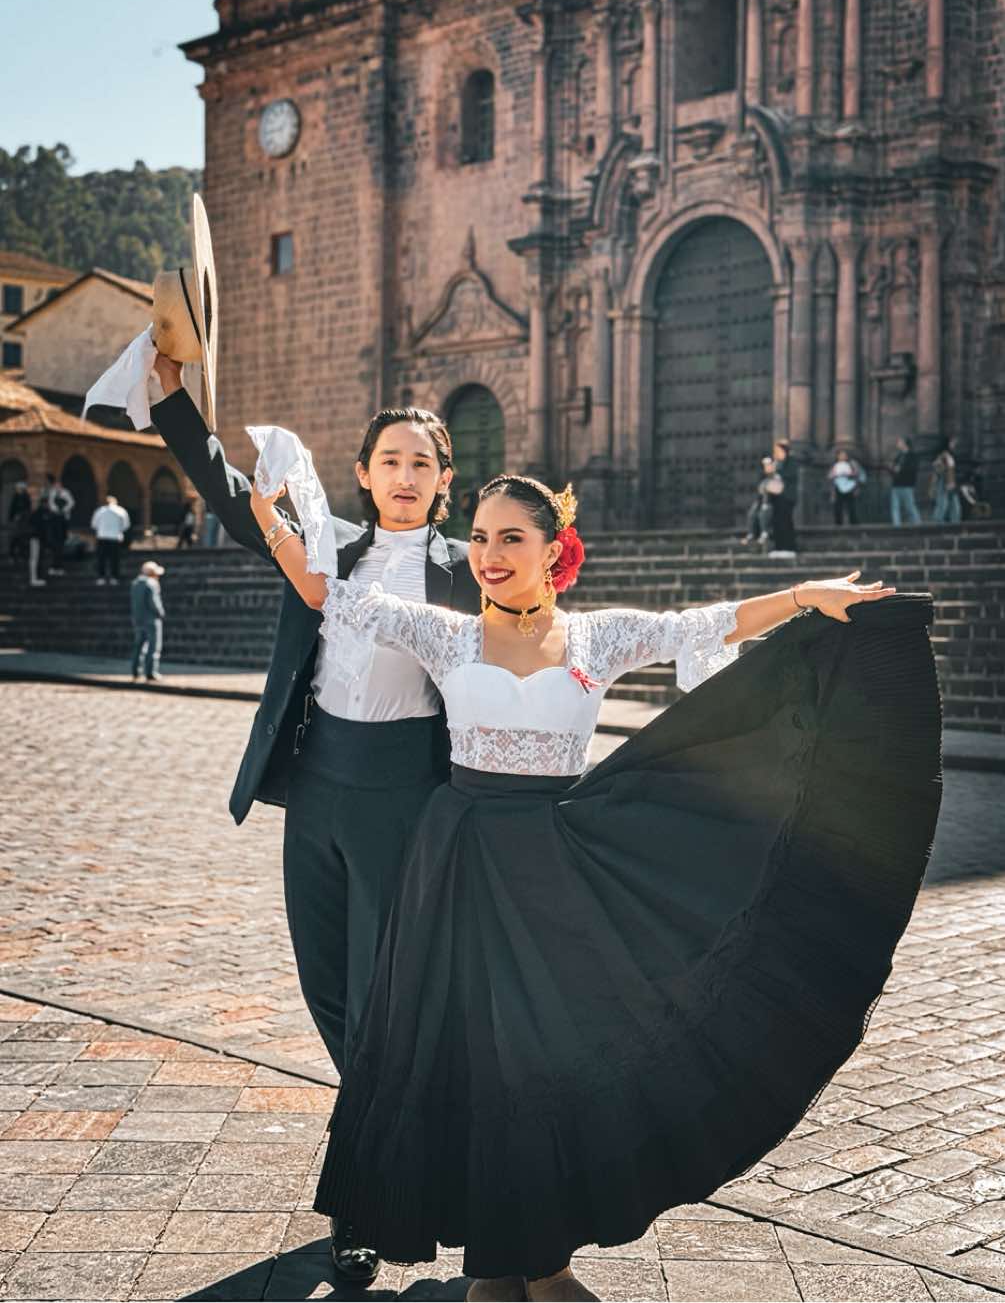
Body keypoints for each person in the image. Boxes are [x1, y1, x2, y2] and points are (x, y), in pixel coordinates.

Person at [248, 430, 941, 1302]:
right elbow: (324, 590)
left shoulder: (595, 637)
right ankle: (494, 1265)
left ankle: (544, 1259)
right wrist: (267, 512)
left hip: (552, 867)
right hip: (455, 867)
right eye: (481, 537)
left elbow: (704, 624)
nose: (490, 554)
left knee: (547, 1055)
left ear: (552, 550)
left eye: (511, 538)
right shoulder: (443, 633)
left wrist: (805, 595)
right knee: (470, 1056)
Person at [149, 351, 481, 1288]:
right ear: (363, 472)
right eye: (391, 461)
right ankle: (400, 1123)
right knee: (328, 989)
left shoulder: (466, 570)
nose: (405, 476)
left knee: (377, 1004)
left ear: (445, 480)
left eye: (422, 463)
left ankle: (359, 1202)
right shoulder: (323, 546)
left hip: (405, 800)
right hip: (317, 790)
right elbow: (231, 494)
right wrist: (172, 397)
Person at [130, 560, 165, 681]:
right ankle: (151, 672)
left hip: (138, 619)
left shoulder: (135, 583)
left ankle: (136, 671)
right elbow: (154, 602)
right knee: (154, 646)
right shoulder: (152, 584)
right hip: (151, 619)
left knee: (139, 646)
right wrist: (160, 612)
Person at [766, 438, 798, 557]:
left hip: (787, 496)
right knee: (776, 522)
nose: (776, 453)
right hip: (776, 497)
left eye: (778, 451)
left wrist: (777, 471)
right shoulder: (776, 463)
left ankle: (789, 548)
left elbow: (791, 475)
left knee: (786, 521)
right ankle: (779, 547)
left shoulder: (791, 462)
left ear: (784, 451)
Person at [91, 494, 131, 584]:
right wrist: (119, 530)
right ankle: (114, 577)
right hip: (115, 537)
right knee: (115, 559)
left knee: (101, 558)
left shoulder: (99, 511)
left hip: (102, 537)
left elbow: (94, 525)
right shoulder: (121, 511)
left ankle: (101, 577)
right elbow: (126, 525)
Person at [740, 457, 778, 546]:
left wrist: (766, 503)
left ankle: (765, 534)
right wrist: (757, 504)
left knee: (764, 513)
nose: (767, 467)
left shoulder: (776, 477)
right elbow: (760, 494)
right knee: (752, 513)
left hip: (774, 504)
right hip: (764, 503)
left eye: (769, 465)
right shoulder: (763, 479)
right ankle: (751, 534)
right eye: (765, 465)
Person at [44, 472, 74, 575]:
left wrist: (63, 509)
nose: (57, 487)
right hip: (55, 519)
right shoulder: (52, 493)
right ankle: (54, 566)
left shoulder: (66, 493)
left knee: (60, 543)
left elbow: (71, 503)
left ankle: (59, 566)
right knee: (54, 543)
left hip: (63, 519)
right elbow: (51, 503)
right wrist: (56, 509)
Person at [827, 446, 866, 526]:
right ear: (837, 456)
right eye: (840, 455)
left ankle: (854, 523)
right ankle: (838, 524)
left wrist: (850, 474)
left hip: (850, 487)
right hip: (838, 487)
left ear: (847, 456)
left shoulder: (852, 463)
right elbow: (829, 476)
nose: (842, 457)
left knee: (851, 506)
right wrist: (834, 475)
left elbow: (858, 474)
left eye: (844, 455)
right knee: (838, 506)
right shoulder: (835, 465)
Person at [889, 437, 921, 526]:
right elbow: (894, 468)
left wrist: (900, 469)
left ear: (905, 444)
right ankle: (896, 526)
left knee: (910, 506)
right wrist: (892, 469)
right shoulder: (898, 456)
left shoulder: (912, 456)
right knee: (894, 507)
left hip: (907, 484)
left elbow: (913, 469)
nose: (897, 443)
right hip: (896, 484)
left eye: (900, 442)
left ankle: (917, 524)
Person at [931, 436, 961, 523]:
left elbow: (952, 469)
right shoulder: (943, 455)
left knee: (955, 504)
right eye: (952, 442)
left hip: (951, 482)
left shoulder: (951, 454)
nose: (954, 444)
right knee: (942, 503)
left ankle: (955, 522)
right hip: (944, 481)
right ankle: (938, 522)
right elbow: (936, 467)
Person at [27, 493, 50, 587]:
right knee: (34, 558)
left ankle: (36, 577)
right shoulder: (38, 513)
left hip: (37, 538)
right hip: (35, 538)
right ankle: (34, 578)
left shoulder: (39, 513)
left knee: (36, 558)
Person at [6, 481, 31, 561]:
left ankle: (21, 554)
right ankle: (12, 554)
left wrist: (23, 516)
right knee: (15, 537)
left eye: (18, 488)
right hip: (17, 521)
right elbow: (12, 508)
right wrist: (12, 517)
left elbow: (27, 508)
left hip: (23, 521)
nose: (17, 490)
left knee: (22, 537)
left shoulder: (26, 497)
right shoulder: (16, 496)